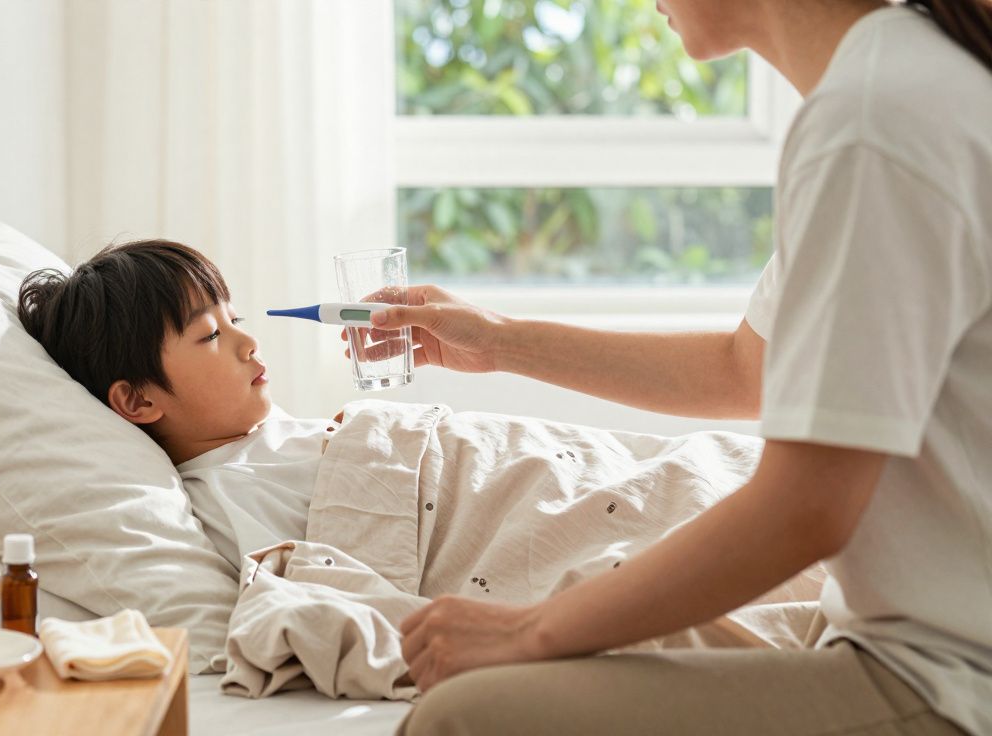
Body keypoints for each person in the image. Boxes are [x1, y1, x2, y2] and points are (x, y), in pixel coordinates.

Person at [384, 0, 992, 733]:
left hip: (952, 680)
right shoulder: (900, 82)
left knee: (466, 717)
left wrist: (526, 628)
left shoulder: (873, 124)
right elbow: (749, 369)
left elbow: (805, 511)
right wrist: (497, 341)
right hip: (918, 638)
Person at [17, 240, 337, 570]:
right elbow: (318, 578)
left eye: (234, 320)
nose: (250, 343)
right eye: (211, 335)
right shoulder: (229, 496)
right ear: (138, 399)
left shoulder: (266, 427)